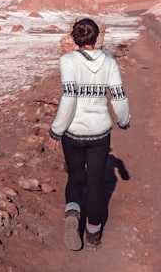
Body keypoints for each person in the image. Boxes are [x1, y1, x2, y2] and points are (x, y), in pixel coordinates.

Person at [47, 17, 130, 250]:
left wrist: (56, 130)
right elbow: (119, 97)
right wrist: (124, 120)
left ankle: (72, 216)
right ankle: (93, 234)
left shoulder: (68, 61)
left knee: (75, 178)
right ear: (95, 38)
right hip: (100, 133)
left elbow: (69, 97)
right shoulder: (110, 63)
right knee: (95, 184)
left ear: (75, 38)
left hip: (73, 133)